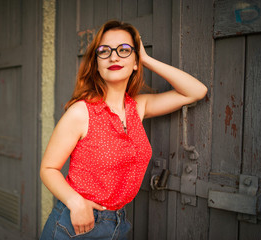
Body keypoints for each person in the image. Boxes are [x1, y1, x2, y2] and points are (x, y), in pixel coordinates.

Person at [39, 20, 207, 239]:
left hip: (119, 224)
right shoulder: (81, 112)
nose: (114, 56)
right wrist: (76, 202)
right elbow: (48, 168)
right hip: (77, 223)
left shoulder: (138, 107)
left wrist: (146, 59)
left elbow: (196, 91)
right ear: (96, 63)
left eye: (124, 50)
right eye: (104, 51)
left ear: (135, 61)